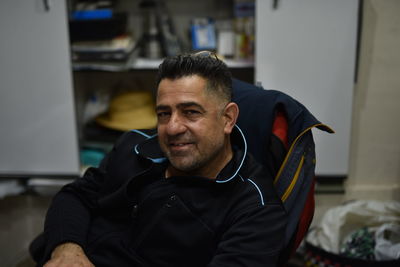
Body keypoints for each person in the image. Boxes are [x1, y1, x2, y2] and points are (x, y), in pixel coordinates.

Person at [36, 52, 287, 267]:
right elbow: (76, 196)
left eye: (190, 112)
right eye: (164, 113)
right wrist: (67, 251)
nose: (173, 127)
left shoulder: (255, 209)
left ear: (228, 118)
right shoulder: (134, 145)